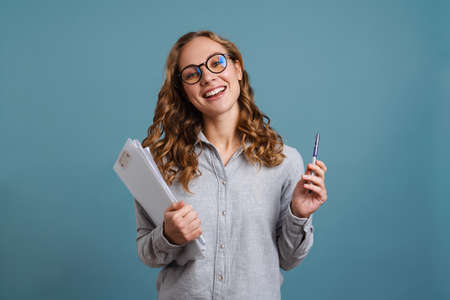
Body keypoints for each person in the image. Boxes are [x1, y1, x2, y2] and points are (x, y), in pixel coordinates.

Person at [133, 30, 328, 300]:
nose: (208, 78)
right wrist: (169, 235)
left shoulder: (285, 161)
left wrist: (299, 214)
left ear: (237, 68)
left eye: (216, 63)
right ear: (183, 90)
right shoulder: (161, 162)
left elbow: (289, 259)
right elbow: (147, 253)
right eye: (192, 74)